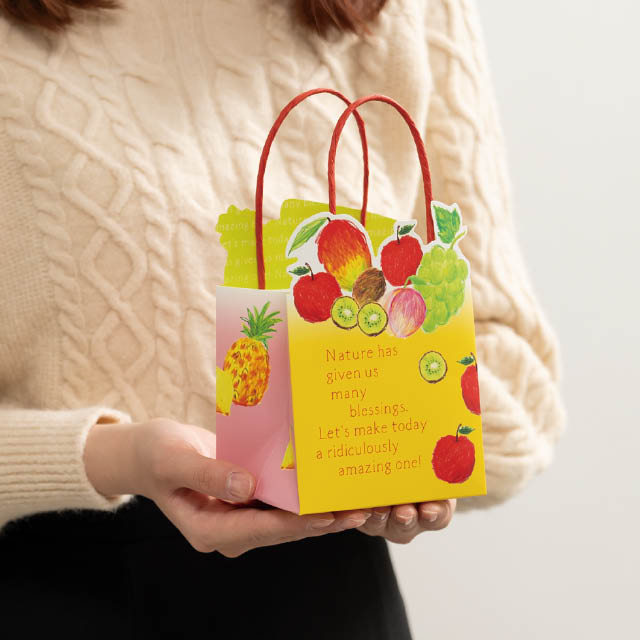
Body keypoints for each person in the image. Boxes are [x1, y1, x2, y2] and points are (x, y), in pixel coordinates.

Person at [0, 0, 566, 637]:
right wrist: (112, 456)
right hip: (51, 586)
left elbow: (518, 382)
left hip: (333, 589)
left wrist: (395, 440)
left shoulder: (400, 12)